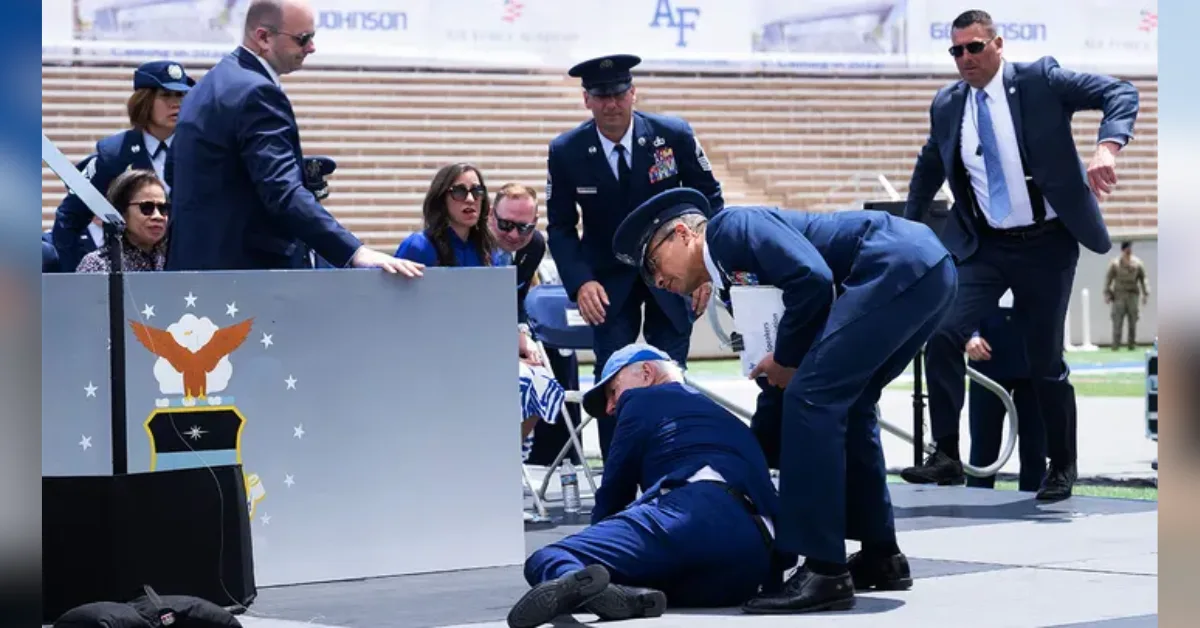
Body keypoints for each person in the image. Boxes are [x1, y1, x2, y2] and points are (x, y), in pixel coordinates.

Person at [612, 187, 957, 613]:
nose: (656, 281)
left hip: (894, 264)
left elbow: (810, 280)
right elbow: (785, 344)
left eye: (652, 264)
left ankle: (824, 572)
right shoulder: (730, 278)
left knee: (812, 400)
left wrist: (789, 362)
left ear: (682, 234)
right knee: (850, 402)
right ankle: (881, 555)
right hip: (923, 268)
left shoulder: (730, 230)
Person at [899, 9, 1139, 500]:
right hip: (985, 245)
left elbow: (1121, 92)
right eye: (956, 50)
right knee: (942, 333)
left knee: (1043, 360)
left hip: (1047, 243)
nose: (964, 58)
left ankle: (1062, 463)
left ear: (998, 44)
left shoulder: (1039, 81)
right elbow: (929, 167)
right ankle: (946, 453)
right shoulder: (948, 105)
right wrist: (906, 228)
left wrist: (1107, 149)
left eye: (974, 47)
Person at [508, 343, 779, 628]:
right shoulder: (726, 418)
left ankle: (579, 583)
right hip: (753, 556)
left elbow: (614, 492)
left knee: (549, 557)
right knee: (651, 576)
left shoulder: (642, 400)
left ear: (647, 373)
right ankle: (624, 596)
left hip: (693, 512)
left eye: (613, 392)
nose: (611, 408)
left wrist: (597, 543)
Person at [545, 53, 723, 460]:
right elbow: (559, 226)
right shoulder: (566, 151)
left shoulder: (672, 135)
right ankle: (618, 475)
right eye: (601, 95)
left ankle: (674, 465)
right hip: (607, 283)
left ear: (633, 93)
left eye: (620, 93)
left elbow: (710, 200)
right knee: (613, 380)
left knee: (669, 375)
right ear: (586, 100)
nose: (612, 103)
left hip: (676, 275)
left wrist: (705, 269)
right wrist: (581, 281)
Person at [166, 0, 419, 276]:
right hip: (245, 278)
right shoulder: (257, 93)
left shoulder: (206, 86)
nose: (311, 48)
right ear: (263, 37)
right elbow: (282, 192)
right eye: (303, 39)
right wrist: (354, 252)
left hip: (193, 269)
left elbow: (174, 172)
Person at [50, 59, 193, 273]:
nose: (176, 104)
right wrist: (76, 278)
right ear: (144, 101)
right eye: (165, 95)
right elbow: (69, 219)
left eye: (181, 95)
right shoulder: (115, 154)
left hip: (186, 276)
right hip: (129, 277)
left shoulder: (199, 151)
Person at [488, 183, 585, 466]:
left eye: (524, 227)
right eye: (505, 225)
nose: (514, 235)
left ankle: (503, 459)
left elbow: (516, 298)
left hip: (503, 335)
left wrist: (522, 337)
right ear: (490, 217)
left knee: (544, 383)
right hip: (470, 343)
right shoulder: (473, 244)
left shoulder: (534, 245)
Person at [964, 302, 1047, 492]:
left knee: (1035, 450)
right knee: (982, 449)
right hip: (987, 358)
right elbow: (968, 296)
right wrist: (970, 334)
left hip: (1034, 359)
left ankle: (1033, 506)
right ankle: (975, 507)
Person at [76, 169, 170, 274]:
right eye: (146, 208)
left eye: (163, 208)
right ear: (121, 212)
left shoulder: (172, 261)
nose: (158, 216)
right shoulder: (99, 264)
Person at [1104, 241, 1150, 349]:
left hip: (1132, 295)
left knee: (1133, 321)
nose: (1128, 251)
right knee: (1117, 321)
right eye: (1126, 249)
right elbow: (1108, 280)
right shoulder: (1115, 264)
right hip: (1119, 296)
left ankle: (1132, 344)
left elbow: (1143, 279)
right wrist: (1107, 293)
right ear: (1122, 250)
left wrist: (1145, 293)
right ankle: (1115, 345)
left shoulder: (1137, 263)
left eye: (1130, 249)